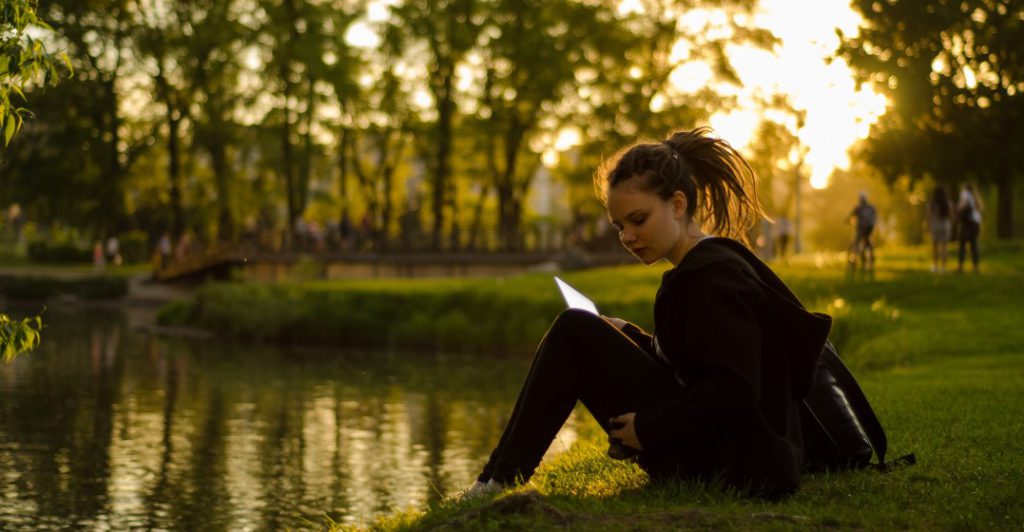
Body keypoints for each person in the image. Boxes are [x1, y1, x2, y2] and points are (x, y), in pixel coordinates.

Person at [462, 127, 831, 500]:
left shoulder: (710, 277)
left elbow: (736, 389)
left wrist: (649, 427)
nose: (628, 237)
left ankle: (498, 480)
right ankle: (496, 476)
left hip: (740, 465)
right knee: (584, 328)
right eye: (620, 226)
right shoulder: (705, 266)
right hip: (726, 451)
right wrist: (633, 338)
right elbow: (701, 363)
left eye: (639, 220)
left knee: (575, 329)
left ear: (677, 204)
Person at [956, 184, 982, 273]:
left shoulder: (964, 193)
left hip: (967, 223)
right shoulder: (976, 197)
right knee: (974, 245)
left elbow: (961, 206)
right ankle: (975, 267)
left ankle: (960, 267)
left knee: (962, 245)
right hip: (976, 223)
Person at [926, 186, 954, 273]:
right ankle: (943, 268)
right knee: (944, 247)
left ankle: (935, 266)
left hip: (935, 225)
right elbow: (951, 216)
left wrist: (928, 226)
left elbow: (929, 216)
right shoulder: (947, 203)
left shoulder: (932, 203)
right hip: (945, 226)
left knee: (935, 247)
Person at [848, 192, 877, 269]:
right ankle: (871, 253)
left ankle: (853, 258)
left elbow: (849, 216)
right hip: (870, 227)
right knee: (867, 239)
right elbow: (874, 217)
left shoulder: (858, 208)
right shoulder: (871, 207)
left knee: (856, 241)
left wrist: (846, 221)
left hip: (861, 227)